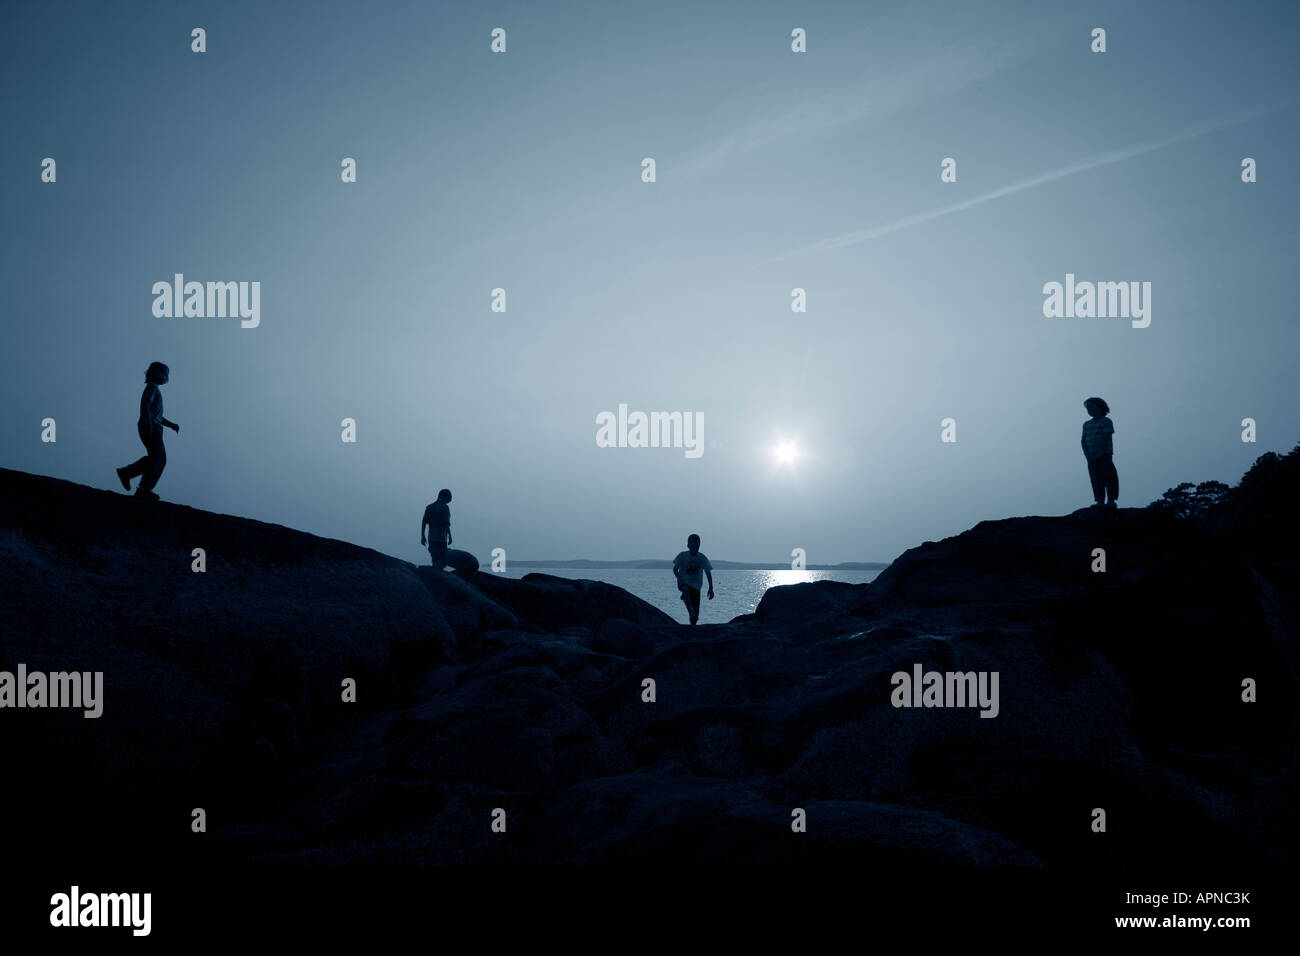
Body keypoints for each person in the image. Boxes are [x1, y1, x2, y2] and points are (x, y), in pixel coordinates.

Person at [116, 362, 179, 500]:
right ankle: (144, 489)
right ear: (157, 373)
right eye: (165, 374)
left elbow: (157, 416)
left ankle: (127, 473)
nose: (166, 378)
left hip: (154, 426)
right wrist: (147, 423)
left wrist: (171, 425)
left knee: (157, 458)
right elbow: (146, 404)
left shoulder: (154, 389)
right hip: (151, 426)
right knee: (158, 458)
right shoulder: (152, 387)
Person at [1081, 396, 1118, 509]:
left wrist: (1100, 453)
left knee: (1109, 477)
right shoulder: (1086, 424)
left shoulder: (1106, 421)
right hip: (1091, 457)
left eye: (1091, 407)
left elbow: (1106, 437)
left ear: (1099, 407)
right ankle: (1100, 501)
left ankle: (1111, 501)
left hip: (1105, 455)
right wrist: (1088, 455)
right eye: (1087, 408)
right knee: (1096, 478)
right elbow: (1083, 441)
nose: (1089, 410)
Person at [672, 533, 714, 625]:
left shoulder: (702, 558)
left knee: (696, 615)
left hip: (696, 586)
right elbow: (675, 569)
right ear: (688, 545)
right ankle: (690, 611)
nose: (694, 547)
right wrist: (680, 579)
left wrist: (711, 588)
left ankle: (693, 623)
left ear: (699, 546)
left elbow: (708, 572)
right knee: (686, 590)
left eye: (697, 545)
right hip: (683, 582)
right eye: (692, 545)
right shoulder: (682, 555)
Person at [421, 489, 453, 568]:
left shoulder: (429, 507)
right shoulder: (445, 508)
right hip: (441, 538)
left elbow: (424, 522)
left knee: (435, 560)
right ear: (444, 497)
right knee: (442, 562)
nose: (449, 501)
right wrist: (450, 536)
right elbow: (446, 524)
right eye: (449, 499)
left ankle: (435, 575)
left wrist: (422, 536)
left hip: (431, 538)